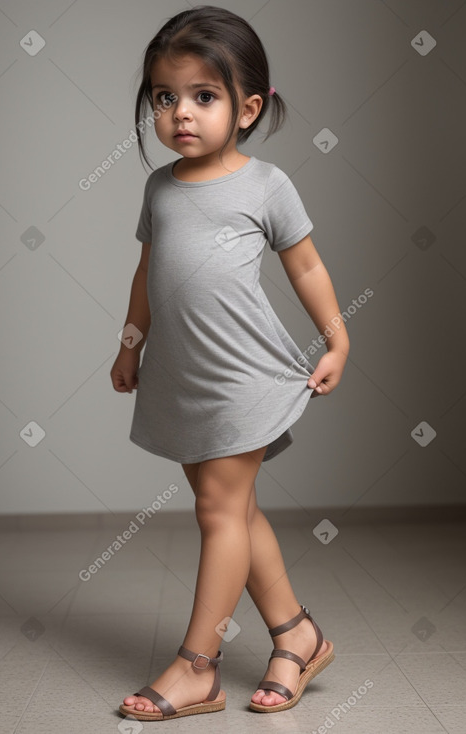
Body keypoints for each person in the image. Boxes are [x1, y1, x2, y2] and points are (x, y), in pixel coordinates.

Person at [111, 4, 349, 722]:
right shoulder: (160, 188)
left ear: (246, 109)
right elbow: (147, 273)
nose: (181, 113)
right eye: (165, 96)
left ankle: (198, 667)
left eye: (203, 96)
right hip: (184, 379)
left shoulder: (265, 186)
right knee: (232, 510)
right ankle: (296, 636)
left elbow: (305, 266)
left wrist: (336, 339)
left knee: (219, 511)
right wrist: (129, 344)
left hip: (243, 375)